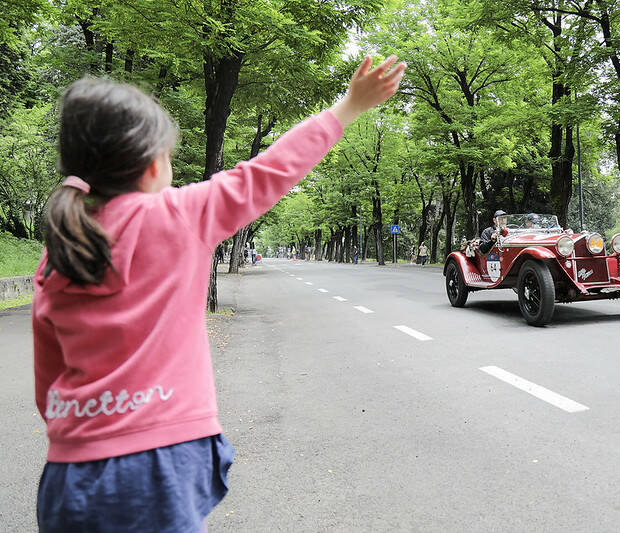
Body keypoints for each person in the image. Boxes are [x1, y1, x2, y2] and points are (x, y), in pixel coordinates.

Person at [32, 55, 406, 532]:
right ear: (151, 164)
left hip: (69, 472)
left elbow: (48, 381)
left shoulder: (59, 251)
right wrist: (348, 106)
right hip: (157, 466)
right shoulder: (177, 217)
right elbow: (266, 174)